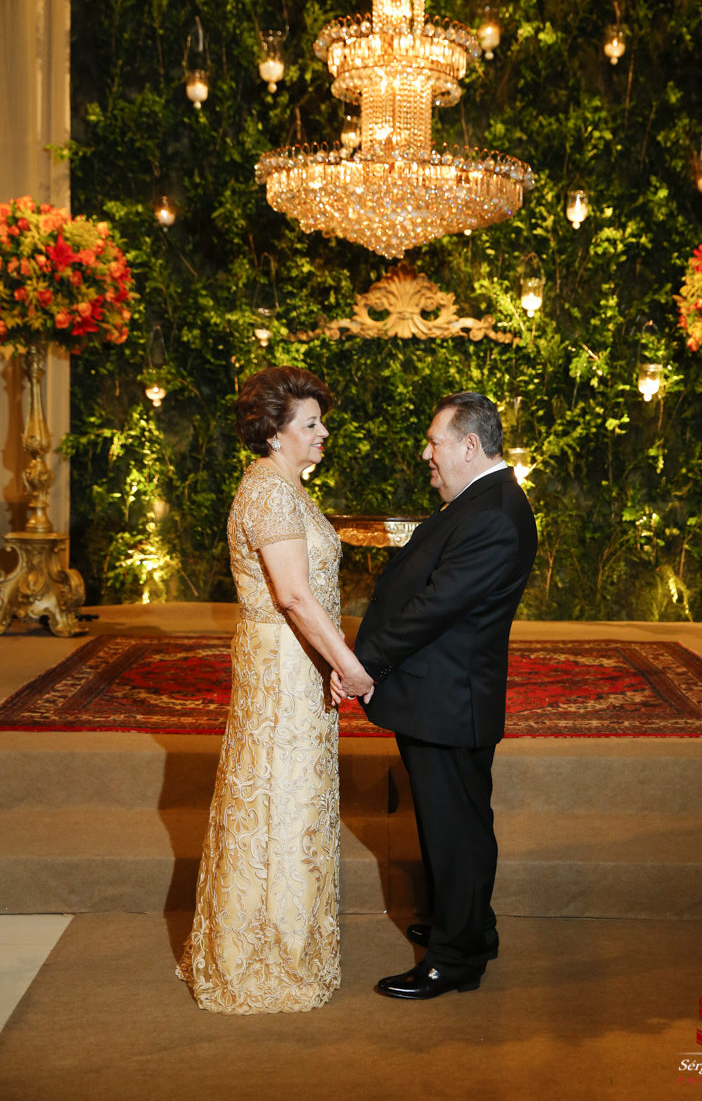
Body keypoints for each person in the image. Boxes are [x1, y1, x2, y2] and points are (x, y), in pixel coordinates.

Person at [177, 366, 372, 1014]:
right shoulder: (268, 493)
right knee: (279, 799)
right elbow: (291, 595)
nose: (323, 433)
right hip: (284, 669)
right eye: (310, 424)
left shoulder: (284, 488)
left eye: (321, 421)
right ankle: (263, 956)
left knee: (293, 797)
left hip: (295, 665)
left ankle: (286, 940)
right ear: (274, 433)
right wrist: (348, 662)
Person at [333, 392, 538, 1000]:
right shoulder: (481, 499)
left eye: (435, 442)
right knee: (458, 826)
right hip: (441, 694)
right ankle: (471, 927)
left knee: (456, 830)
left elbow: (434, 608)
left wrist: (359, 664)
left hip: (450, 699)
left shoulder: (497, 513)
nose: (427, 454)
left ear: (470, 446)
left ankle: (455, 958)